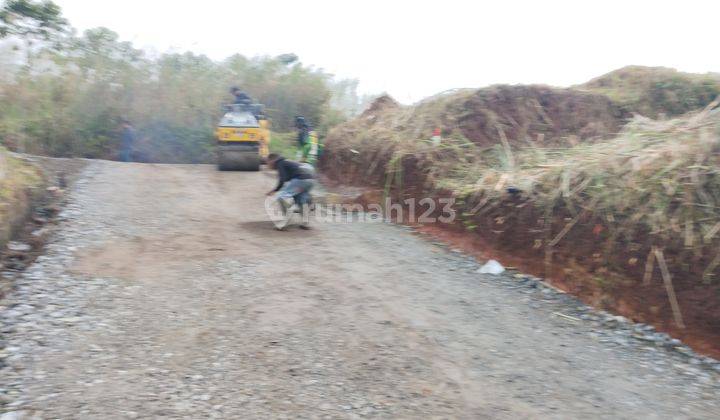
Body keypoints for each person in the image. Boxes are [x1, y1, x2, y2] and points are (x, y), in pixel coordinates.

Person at [266, 153, 315, 229]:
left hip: (301, 179)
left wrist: (275, 190)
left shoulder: (280, 163)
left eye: (267, 162)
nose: (268, 165)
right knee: (301, 200)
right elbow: (288, 178)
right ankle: (305, 223)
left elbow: (282, 179)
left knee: (282, 197)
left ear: (272, 160)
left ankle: (285, 222)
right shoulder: (286, 162)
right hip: (310, 180)